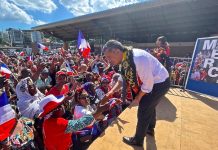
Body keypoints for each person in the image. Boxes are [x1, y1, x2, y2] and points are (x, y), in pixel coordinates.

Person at [102, 40, 170, 147]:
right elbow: (123, 79)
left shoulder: (138, 59)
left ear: (116, 51)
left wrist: (137, 99)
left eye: (109, 57)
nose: (108, 60)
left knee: (144, 108)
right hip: (154, 82)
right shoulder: (125, 58)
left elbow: (148, 85)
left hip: (160, 83)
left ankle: (138, 140)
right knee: (150, 106)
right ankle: (150, 129)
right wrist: (111, 92)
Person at [39, 94, 110, 150]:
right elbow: (79, 124)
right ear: (55, 110)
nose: (63, 106)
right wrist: (98, 111)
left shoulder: (46, 122)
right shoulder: (58, 123)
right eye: (61, 105)